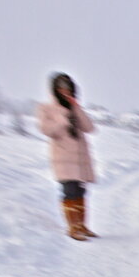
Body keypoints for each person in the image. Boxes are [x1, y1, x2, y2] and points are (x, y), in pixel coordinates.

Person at [37, 72, 97, 241]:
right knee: (69, 191)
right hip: (63, 158)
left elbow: (90, 128)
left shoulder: (75, 108)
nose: (65, 91)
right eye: (61, 88)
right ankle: (72, 228)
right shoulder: (46, 108)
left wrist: (76, 108)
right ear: (55, 89)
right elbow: (46, 130)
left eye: (68, 88)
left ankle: (82, 226)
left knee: (80, 192)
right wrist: (63, 119)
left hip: (80, 159)